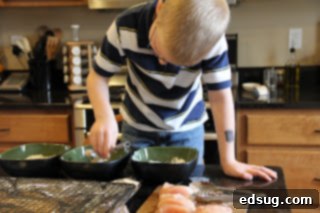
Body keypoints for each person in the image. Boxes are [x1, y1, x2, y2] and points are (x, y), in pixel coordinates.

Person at [87, 0, 277, 182]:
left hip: (188, 133)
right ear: (160, 8)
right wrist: (104, 116)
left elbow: (220, 98)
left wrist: (228, 160)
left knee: (189, 194)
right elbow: (97, 77)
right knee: (136, 192)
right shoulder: (125, 26)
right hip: (138, 131)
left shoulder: (213, 42)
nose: (162, 62)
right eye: (158, 49)